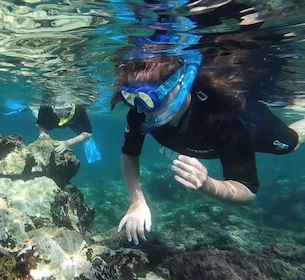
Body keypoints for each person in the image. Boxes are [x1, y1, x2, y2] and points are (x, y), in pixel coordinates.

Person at [110, 41, 305, 245]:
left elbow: (247, 190)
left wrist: (207, 185)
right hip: (192, 141)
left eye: (150, 99)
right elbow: (129, 153)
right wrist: (137, 201)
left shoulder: (225, 114)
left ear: (181, 83)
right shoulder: (141, 107)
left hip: (257, 128)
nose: (141, 109)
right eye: (132, 98)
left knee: (292, 143)